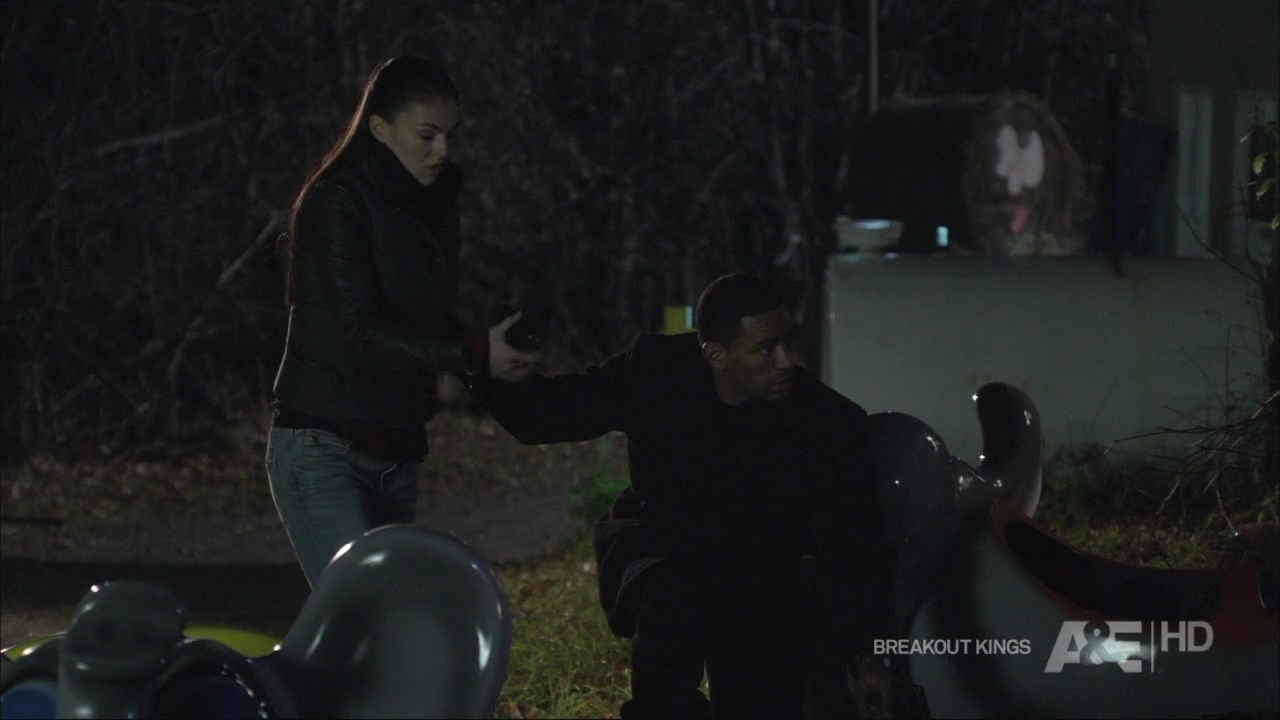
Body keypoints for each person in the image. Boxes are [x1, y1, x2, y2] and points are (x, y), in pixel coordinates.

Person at [466, 273, 893, 718]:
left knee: (762, 667)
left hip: (761, 570)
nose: (787, 361)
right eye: (766, 349)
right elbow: (552, 413)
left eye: (789, 342)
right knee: (670, 608)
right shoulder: (658, 372)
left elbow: (857, 545)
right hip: (664, 550)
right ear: (715, 354)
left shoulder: (826, 422)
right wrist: (480, 361)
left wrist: (872, 655)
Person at [267, 56, 539, 588]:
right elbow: (360, 329)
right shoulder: (338, 200)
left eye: (450, 135)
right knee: (361, 610)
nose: (442, 150)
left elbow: (424, 319)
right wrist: (474, 352)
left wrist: (490, 354)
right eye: (427, 135)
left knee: (389, 611)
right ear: (380, 129)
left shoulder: (431, 203)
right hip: (324, 445)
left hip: (394, 447)